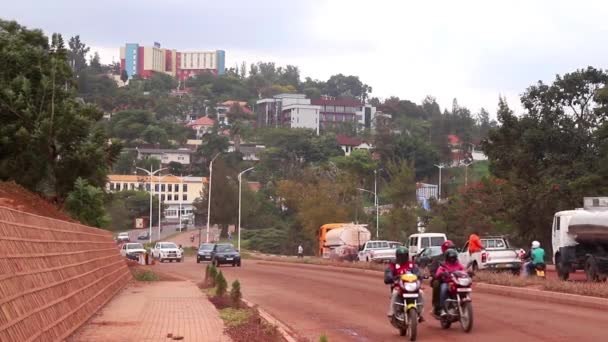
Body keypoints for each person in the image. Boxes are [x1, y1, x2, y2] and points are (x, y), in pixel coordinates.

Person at [386, 247, 424, 322]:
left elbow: (417, 273)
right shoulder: (393, 265)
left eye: (404, 256)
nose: (402, 258)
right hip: (399, 287)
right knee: (395, 293)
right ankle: (392, 312)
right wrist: (392, 277)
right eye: (400, 256)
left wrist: (419, 276)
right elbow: (388, 274)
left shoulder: (411, 265)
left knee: (421, 293)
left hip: (411, 286)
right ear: (397, 256)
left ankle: (420, 313)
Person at [430, 240, 456, 316]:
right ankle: (437, 306)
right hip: (441, 279)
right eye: (448, 248)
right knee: (436, 283)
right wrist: (438, 276)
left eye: (451, 248)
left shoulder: (454, 257)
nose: (450, 250)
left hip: (453, 279)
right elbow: (432, 271)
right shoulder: (437, 258)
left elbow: (460, 267)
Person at [436, 249, 465, 317]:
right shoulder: (444, 265)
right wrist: (443, 273)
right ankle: (442, 309)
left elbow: (463, 270)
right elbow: (438, 273)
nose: (452, 259)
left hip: (457, 282)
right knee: (443, 289)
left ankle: (463, 303)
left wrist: (467, 273)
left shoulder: (458, 264)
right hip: (447, 282)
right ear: (447, 258)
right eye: (451, 258)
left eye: (453, 257)